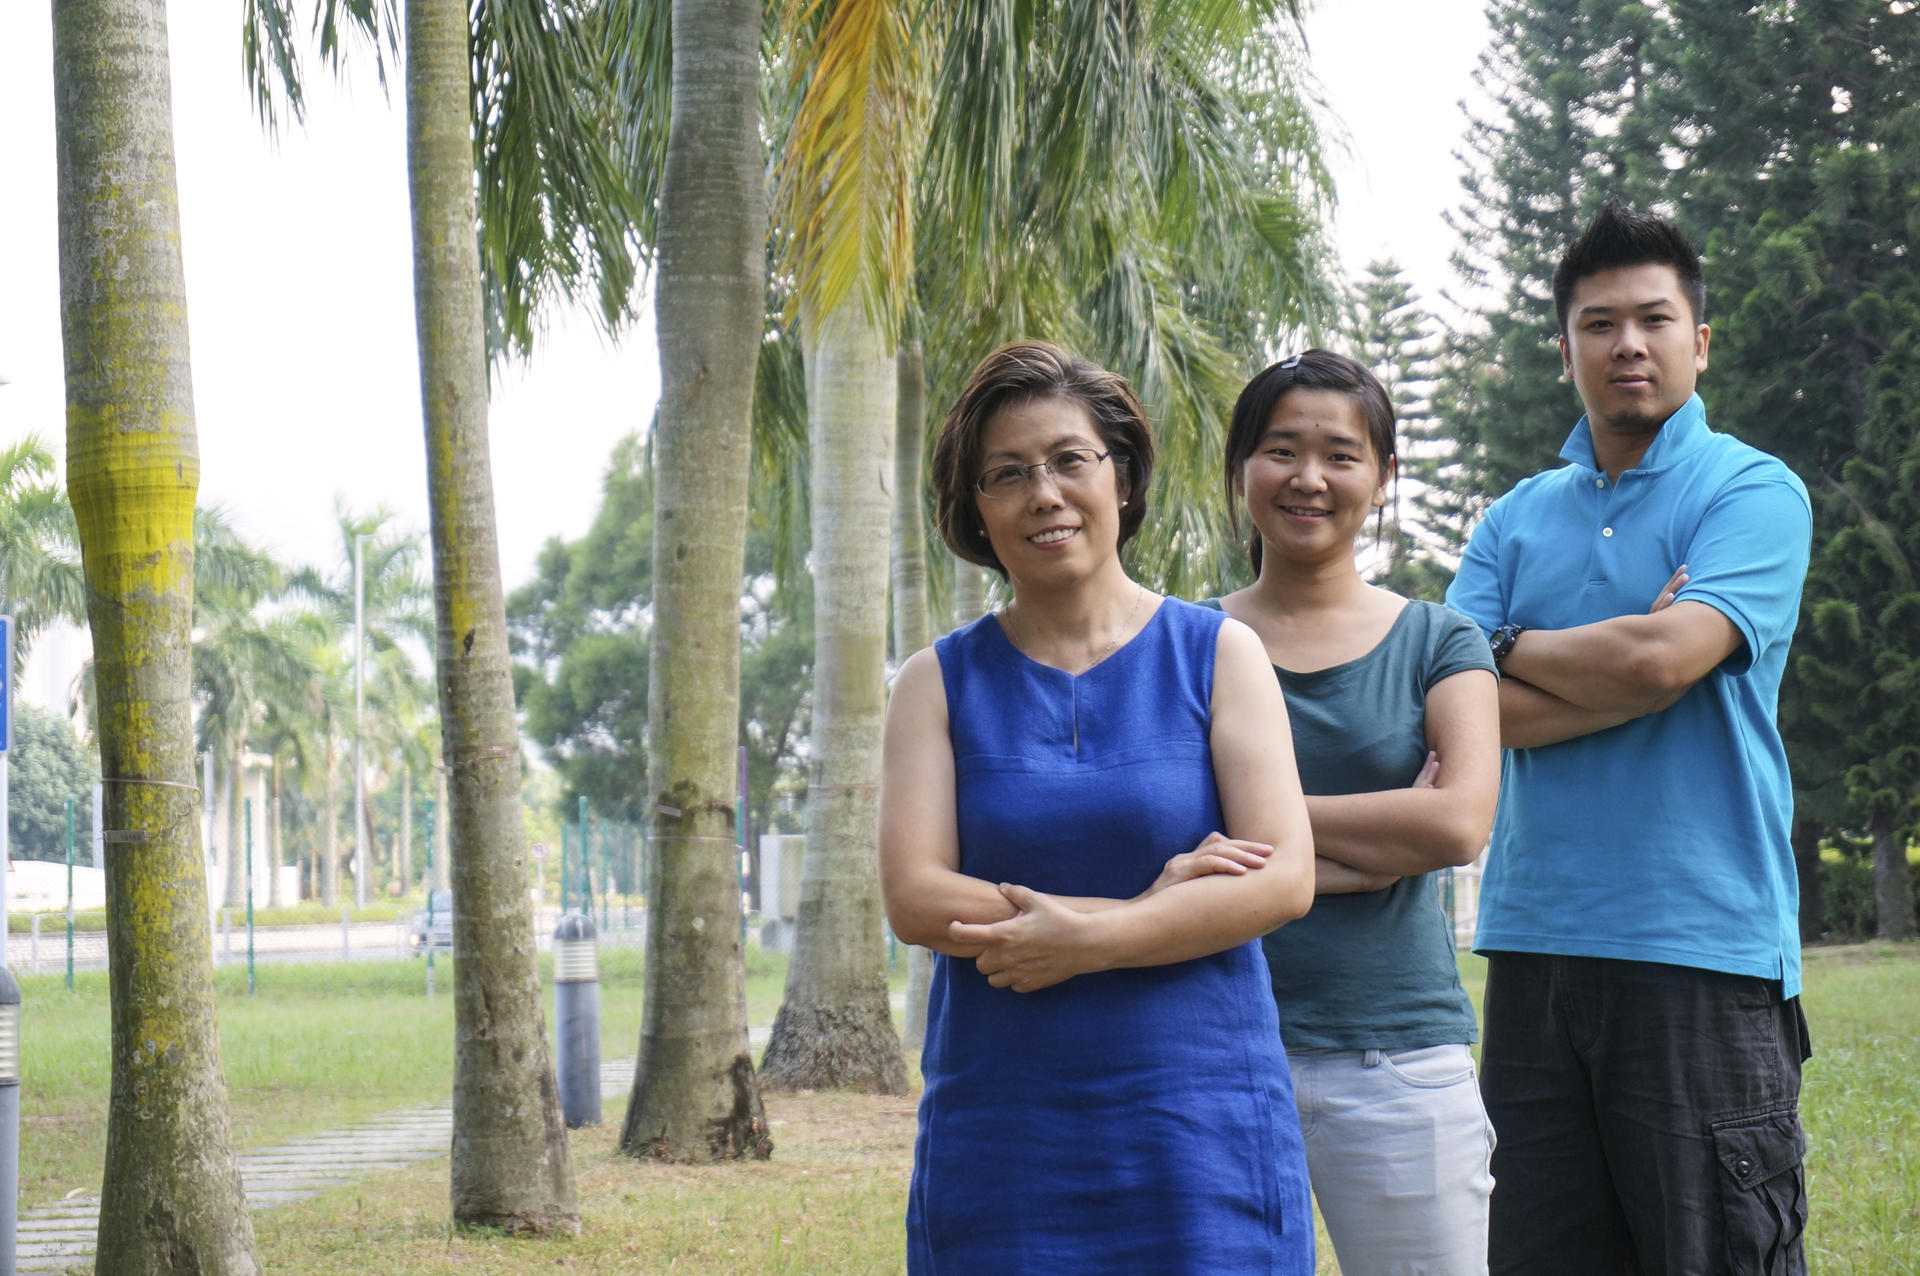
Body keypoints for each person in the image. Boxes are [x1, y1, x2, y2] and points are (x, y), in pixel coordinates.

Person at [879, 340, 1318, 1273]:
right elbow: (917, 897)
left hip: (1201, 1127)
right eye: (1007, 474)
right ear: (976, 510)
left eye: (1070, 460)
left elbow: (1283, 878)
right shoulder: (935, 683)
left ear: (1121, 478)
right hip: (1004, 1135)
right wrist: (1152, 909)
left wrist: (1086, 941)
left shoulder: (1220, 653)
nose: (1044, 493)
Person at [1446, 198, 1813, 1274]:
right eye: (1599, 324)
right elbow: (1456, 703)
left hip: (1700, 947)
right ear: (1565, 350)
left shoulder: (1751, 489)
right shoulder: (1514, 516)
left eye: (1654, 319)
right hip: (1534, 950)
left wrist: (1515, 646)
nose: (1628, 345)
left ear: (1699, 340)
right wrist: (1631, 662)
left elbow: (1662, 661)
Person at [1204, 349, 1502, 1274]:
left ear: (1382, 477)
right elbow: (1162, 840)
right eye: (1281, 449)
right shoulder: (1182, 641)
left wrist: (1266, 830)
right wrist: (1379, 849)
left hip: (1401, 1061)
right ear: (1240, 469)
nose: (1308, 478)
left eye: (1340, 453)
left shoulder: (1438, 638)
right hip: (1213, 1051)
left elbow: (1456, 825)